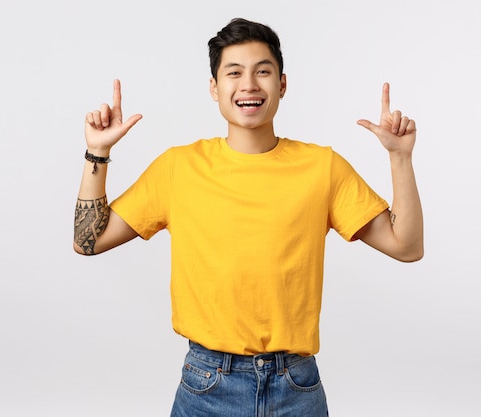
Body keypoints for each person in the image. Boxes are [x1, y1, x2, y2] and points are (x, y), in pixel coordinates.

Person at [73, 18, 423, 417]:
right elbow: (89, 241)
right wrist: (97, 153)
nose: (249, 84)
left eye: (263, 71)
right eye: (234, 72)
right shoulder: (178, 168)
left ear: (283, 85)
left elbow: (407, 247)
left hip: (296, 387)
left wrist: (400, 158)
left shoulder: (321, 167)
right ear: (214, 88)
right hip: (207, 385)